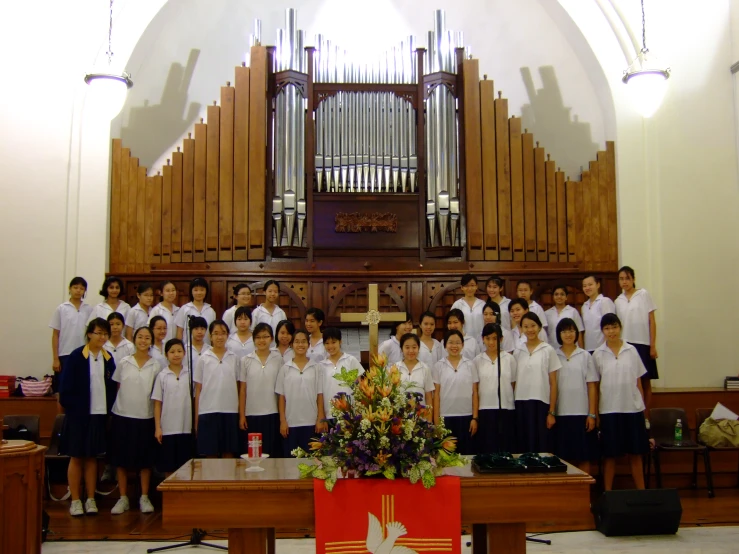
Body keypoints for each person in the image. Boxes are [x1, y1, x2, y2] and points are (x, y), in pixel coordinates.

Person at [58, 318, 117, 516]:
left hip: (99, 415)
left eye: (105, 334)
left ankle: (90, 499)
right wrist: (75, 408)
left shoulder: (109, 359)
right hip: (78, 416)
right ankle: (75, 500)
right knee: (76, 457)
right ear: (89, 333)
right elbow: (65, 389)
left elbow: (112, 389)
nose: (102, 337)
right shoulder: (76, 356)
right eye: (99, 332)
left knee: (92, 458)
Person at [593, 313, 648, 491]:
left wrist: (644, 409)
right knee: (610, 455)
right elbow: (595, 385)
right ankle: (608, 494)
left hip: (632, 409)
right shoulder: (598, 354)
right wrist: (596, 413)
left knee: (636, 454)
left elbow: (639, 382)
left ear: (620, 327)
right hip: (609, 410)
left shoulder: (631, 350)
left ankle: (642, 492)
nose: (611, 331)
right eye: (607, 328)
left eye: (614, 327)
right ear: (602, 331)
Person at [110, 326, 162, 515]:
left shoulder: (156, 365)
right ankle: (123, 498)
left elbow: (157, 395)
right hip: (123, 416)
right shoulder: (124, 362)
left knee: (145, 461)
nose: (143, 341)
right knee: (121, 460)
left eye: (147, 338)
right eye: (140, 337)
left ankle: (144, 497)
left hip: (145, 417)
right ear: (134, 339)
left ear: (151, 341)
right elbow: (118, 387)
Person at [553, 318, 599, 474]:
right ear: (559, 334)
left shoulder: (585, 356)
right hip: (561, 413)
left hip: (581, 413)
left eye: (571, 331)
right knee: (562, 456)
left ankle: (584, 494)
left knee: (584, 455)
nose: (568, 334)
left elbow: (592, 385)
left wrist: (592, 414)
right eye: (564, 331)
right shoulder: (553, 355)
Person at [513, 313, 561, 453]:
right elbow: (514, 381)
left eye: (533, 326)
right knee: (523, 444)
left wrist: (551, 411)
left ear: (540, 327)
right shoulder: (518, 351)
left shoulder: (548, 350)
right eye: (526, 326)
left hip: (541, 403)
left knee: (541, 445)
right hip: (521, 402)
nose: (530, 330)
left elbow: (553, 383)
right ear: (521, 329)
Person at [194, 320, 242, 458]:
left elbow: (239, 387)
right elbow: (198, 389)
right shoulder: (204, 358)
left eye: (223, 333)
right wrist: (197, 418)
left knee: (229, 452)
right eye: (216, 333)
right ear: (210, 336)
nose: (219, 337)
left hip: (230, 411)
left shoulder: (234, 358)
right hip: (208, 411)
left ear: (228, 335)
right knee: (210, 453)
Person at [615, 266, 658, 412]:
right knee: (631, 381)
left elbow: (651, 320)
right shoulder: (618, 301)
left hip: (643, 343)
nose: (624, 282)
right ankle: (634, 413)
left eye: (627, 278)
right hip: (626, 345)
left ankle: (645, 417)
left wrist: (652, 345)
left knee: (646, 382)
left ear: (633, 279)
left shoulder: (643, 294)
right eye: (621, 279)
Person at [276, 329, 325, 457]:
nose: (300, 345)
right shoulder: (285, 368)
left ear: (308, 345)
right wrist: (282, 421)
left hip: (311, 422)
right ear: (291, 345)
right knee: (292, 464)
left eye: (303, 342)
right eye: (297, 342)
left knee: (313, 462)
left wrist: (320, 417)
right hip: (291, 423)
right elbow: (281, 397)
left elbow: (320, 395)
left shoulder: (316, 367)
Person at [239, 323, 284, 457]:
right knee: (253, 454)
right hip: (251, 414)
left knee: (271, 453)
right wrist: (242, 415)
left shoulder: (278, 359)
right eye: (258, 337)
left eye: (265, 337)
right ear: (253, 340)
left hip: (272, 413)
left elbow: (282, 390)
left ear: (271, 339)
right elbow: (242, 390)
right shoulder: (245, 360)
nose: (262, 340)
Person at [433, 330, 479, 454]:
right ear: (445, 345)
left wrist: (475, 418)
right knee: (446, 457)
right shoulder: (438, 366)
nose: (454, 346)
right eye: (451, 343)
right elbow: (436, 395)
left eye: (458, 342)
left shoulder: (470, 365)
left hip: (466, 417)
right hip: (445, 417)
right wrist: (436, 421)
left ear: (463, 345)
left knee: (466, 455)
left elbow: (475, 392)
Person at [152, 339, 193, 476]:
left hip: (186, 427)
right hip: (168, 429)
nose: (176, 354)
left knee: (186, 467)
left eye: (179, 351)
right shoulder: (162, 376)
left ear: (185, 353)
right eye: (172, 352)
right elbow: (157, 403)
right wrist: (158, 427)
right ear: (166, 354)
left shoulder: (190, 375)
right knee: (168, 467)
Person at [473, 323, 517, 453]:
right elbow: (475, 388)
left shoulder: (509, 359)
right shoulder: (477, 360)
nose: (491, 342)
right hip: (485, 408)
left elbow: (513, 383)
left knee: (505, 446)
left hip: (506, 408)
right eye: (488, 338)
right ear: (483, 339)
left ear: (501, 339)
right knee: (488, 446)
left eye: (495, 338)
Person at [50, 276, 93, 390]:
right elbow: (55, 334)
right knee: (63, 389)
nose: (78, 290)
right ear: (70, 289)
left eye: (81, 288)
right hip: (65, 354)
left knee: (81, 388)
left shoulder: (88, 309)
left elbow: (92, 334)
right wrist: (55, 358)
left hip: (84, 353)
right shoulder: (61, 308)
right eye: (75, 287)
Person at [318, 327, 364, 428]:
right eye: (327, 343)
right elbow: (320, 393)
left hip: (350, 414)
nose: (330, 346)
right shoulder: (320, 366)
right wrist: (321, 415)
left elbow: (359, 388)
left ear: (340, 341)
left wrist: (358, 411)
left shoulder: (351, 360)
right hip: (330, 414)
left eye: (333, 342)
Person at [396, 334, 434, 407]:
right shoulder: (395, 368)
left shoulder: (425, 368)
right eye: (407, 347)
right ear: (401, 349)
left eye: (414, 347)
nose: (411, 351)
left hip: (420, 415)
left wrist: (429, 418)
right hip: (399, 416)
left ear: (419, 348)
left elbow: (428, 396)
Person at [175, 278, 216, 345]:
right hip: (188, 350)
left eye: (202, 290)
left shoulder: (211, 311)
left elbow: (212, 332)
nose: (199, 293)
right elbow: (179, 332)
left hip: (206, 350)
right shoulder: (184, 309)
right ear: (191, 291)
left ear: (206, 291)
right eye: (196, 290)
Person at [581, 274, 615, 353]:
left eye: (590, 285)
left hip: (604, 348)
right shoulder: (584, 306)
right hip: (588, 348)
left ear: (598, 285)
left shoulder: (605, 301)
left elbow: (610, 326)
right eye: (585, 286)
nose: (587, 288)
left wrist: (605, 346)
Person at [451, 273, 486, 341]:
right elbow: (452, 325)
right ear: (462, 287)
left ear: (476, 286)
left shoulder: (483, 304)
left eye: (472, 285)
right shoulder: (457, 305)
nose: (469, 289)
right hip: (463, 341)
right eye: (466, 286)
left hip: (482, 341)